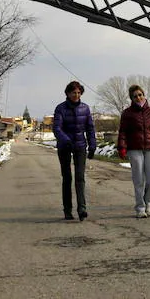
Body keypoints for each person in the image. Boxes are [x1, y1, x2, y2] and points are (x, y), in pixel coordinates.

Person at [116, 84, 150, 218]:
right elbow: (123, 132)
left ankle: (148, 203)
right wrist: (122, 147)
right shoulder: (127, 113)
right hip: (134, 149)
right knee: (138, 179)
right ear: (131, 98)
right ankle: (140, 207)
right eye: (135, 96)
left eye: (140, 95)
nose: (138, 98)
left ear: (144, 95)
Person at [53, 80, 96, 221]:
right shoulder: (60, 108)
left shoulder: (85, 108)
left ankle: (82, 208)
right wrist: (65, 141)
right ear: (68, 93)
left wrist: (93, 145)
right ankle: (67, 210)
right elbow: (57, 128)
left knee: (80, 177)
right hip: (64, 146)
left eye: (78, 93)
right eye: (73, 93)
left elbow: (90, 128)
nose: (76, 95)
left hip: (80, 146)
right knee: (67, 177)